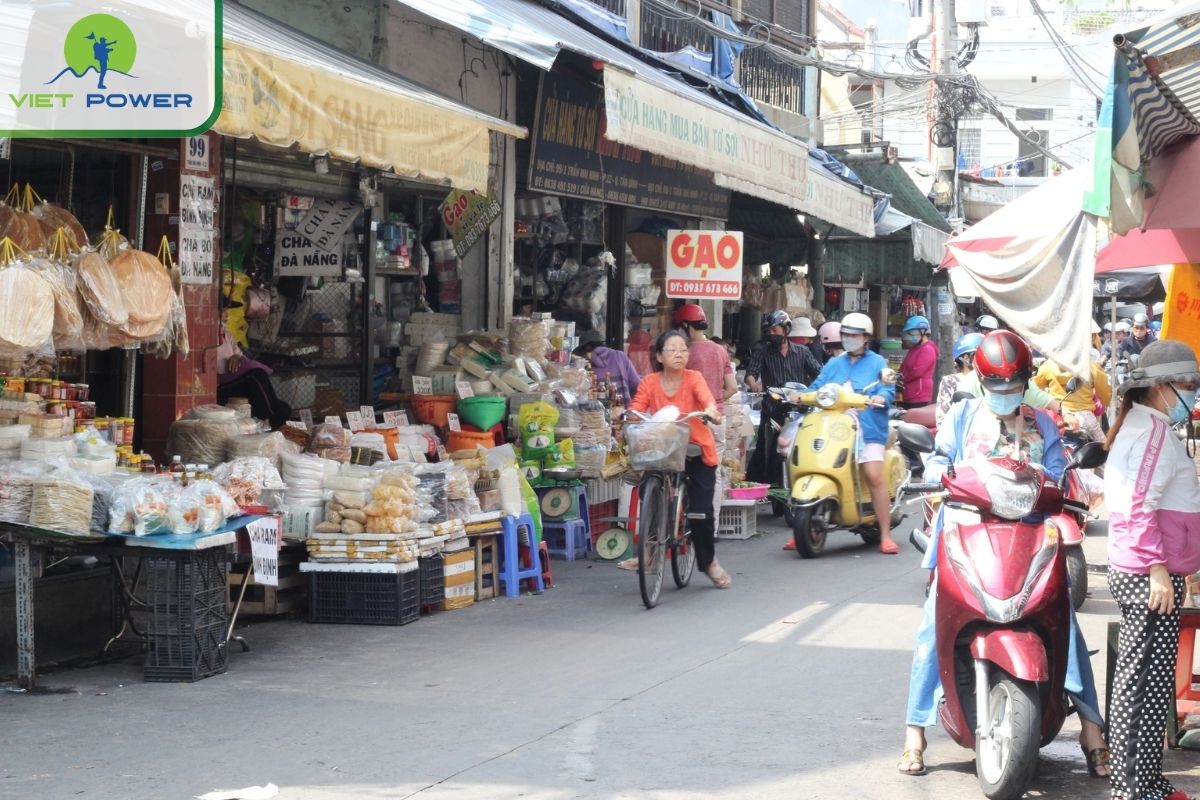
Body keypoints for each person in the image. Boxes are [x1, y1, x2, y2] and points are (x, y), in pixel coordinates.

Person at [898, 331, 1109, 778]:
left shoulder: (1042, 423)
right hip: (967, 534)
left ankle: (1092, 730)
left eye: (1013, 385)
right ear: (980, 378)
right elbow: (939, 460)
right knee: (931, 629)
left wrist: (1056, 487)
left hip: (1028, 538)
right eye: (996, 385)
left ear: (1025, 381)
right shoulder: (962, 415)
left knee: (1064, 621)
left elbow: (1056, 473)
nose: (1004, 393)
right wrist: (940, 479)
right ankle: (914, 733)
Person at [1103, 339, 1200, 800]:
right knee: (1139, 682)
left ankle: (1148, 782)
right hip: (1147, 572)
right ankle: (1129, 787)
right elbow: (1139, 505)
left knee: (1154, 681)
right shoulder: (1152, 432)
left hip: (1152, 568)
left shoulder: (1146, 426)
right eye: (1188, 386)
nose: (1193, 395)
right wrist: (1159, 569)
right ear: (1162, 388)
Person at [627, 331, 730, 589]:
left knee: (699, 513)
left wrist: (711, 411)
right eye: (672, 350)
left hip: (696, 449)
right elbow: (637, 406)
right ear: (659, 356)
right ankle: (650, 550)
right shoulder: (650, 382)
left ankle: (709, 562)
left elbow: (707, 400)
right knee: (647, 489)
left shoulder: (694, 378)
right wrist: (629, 413)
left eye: (683, 349)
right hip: (663, 448)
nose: (679, 354)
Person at [807, 312, 900, 554]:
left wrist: (882, 396)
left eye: (853, 335)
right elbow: (817, 387)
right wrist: (801, 394)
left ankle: (886, 535)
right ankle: (804, 528)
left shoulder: (879, 362)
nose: (848, 339)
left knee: (873, 475)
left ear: (866, 337)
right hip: (834, 429)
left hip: (868, 428)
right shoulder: (834, 363)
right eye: (845, 334)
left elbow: (888, 387)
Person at [745, 310, 822, 485]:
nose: (772, 334)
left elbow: (819, 373)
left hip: (799, 410)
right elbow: (751, 374)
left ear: (786, 329)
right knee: (765, 448)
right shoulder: (763, 352)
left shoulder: (802, 352)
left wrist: (816, 391)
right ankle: (761, 485)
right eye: (769, 332)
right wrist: (754, 384)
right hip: (772, 410)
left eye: (775, 330)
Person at [217, 325, 292, 429]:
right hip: (219, 386)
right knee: (256, 376)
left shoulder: (226, 333)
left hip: (234, 379)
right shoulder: (209, 335)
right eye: (222, 311)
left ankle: (272, 422)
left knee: (284, 409)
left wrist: (236, 357)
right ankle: (268, 420)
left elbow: (240, 356)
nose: (227, 314)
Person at [1033, 358, 1112, 442]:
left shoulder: (1048, 365)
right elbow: (1106, 396)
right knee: (1105, 449)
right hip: (1085, 418)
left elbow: (1035, 388)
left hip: (1056, 417)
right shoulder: (1091, 366)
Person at [574, 330, 641, 405]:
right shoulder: (620, 356)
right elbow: (638, 385)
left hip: (596, 413)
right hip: (621, 410)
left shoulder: (587, 365)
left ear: (587, 348)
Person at [934, 332, 983, 426]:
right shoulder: (950, 382)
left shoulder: (991, 380)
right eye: (981, 355)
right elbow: (943, 422)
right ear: (966, 358)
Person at [898, 316, 938, 409]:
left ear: (923, 332)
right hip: (909, 393)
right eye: (909, 333)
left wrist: (902, 378)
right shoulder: (914, 348)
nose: (910, 336)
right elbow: (904, 366)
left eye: (913, 333)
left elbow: (916, 372)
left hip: (919, 395)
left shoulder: (928, 349)